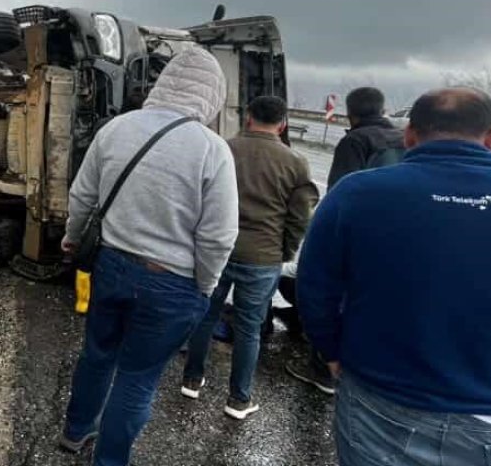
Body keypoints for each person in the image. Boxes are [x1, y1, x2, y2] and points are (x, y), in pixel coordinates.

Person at [298, 88, 491, 466]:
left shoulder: (358, 194)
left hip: (381, 390)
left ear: (410, 135)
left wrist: (332, 350)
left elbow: (316, 286)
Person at [59, 48, 238, 466]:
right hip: (172, 284)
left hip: (112, 265)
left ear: (163, 83)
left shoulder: (117, 129)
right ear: (213, 95)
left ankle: (74, 432)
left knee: (98, 354)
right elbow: (218, 237)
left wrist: (71, 238)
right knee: (137, 379)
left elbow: (83, 196)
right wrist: (206, 285)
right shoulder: (213, 150)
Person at [180, 96, 318, 419]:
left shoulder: (223, 148)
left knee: (205, 314)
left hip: (217, 248)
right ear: (282, 124)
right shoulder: (296, 163)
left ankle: (192, 380)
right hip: (263, 256)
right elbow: (300, 217)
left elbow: (198, 199)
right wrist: (285, 250)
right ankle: (238, 400)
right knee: (248, 329)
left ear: (248, 118)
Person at [287, 86, 406, 393]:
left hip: (359, 233)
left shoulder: (356, 140)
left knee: (330, 294)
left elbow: (341, 191)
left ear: (350, 113)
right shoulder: (403, 139)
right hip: (396, 235)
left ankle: (323, 370)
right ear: (382, 110)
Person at [327, 86, 406, 187]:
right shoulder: (404, 138)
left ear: (350, 114)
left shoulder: (354, 141)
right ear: (383, 112)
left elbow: (338, 188)